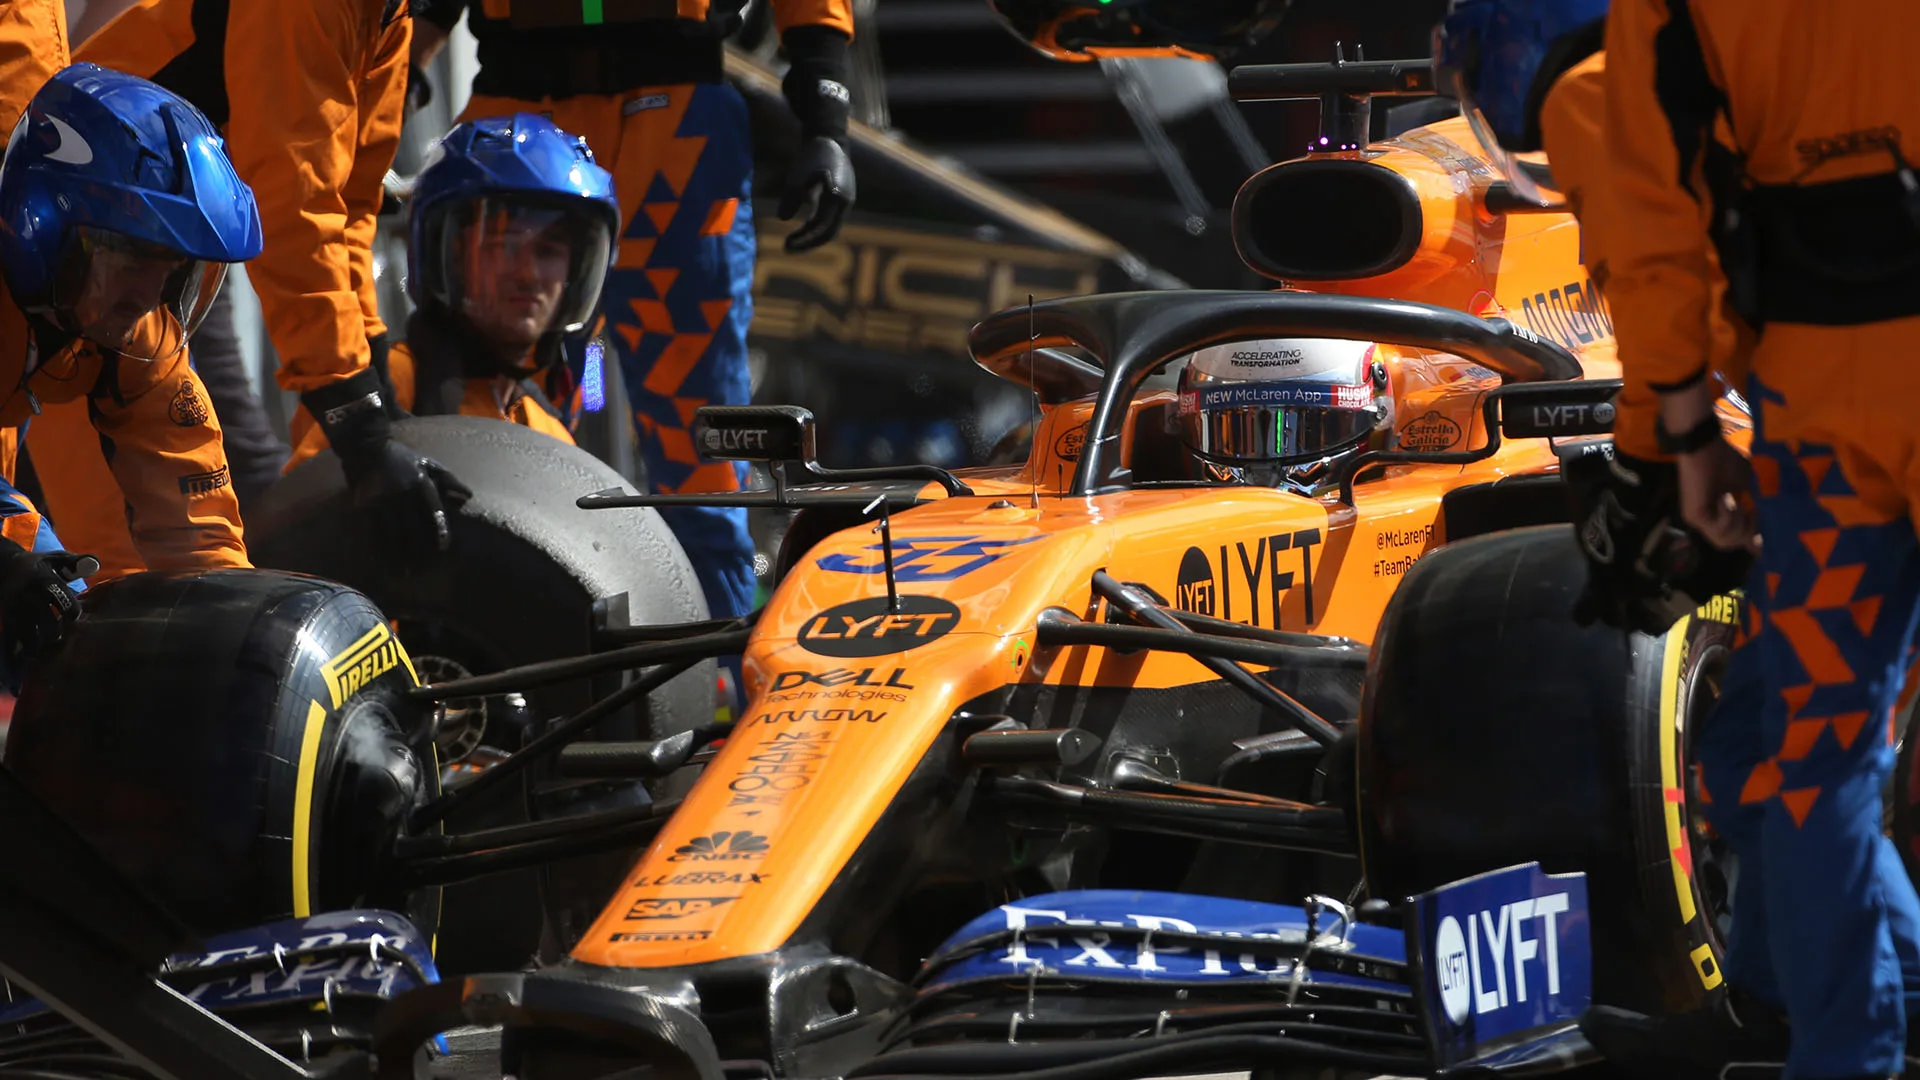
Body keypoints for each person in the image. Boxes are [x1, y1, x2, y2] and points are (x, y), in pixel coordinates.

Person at [1445, 0, 1920, 1075]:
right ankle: (1799, 1010)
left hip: (1826, 408)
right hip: (1812, 402)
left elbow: (1657, 248)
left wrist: (1673, 441)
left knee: (1811, 762)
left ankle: (1838, 1048)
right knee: (1778, 758)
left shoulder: (1634, 38)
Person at [409, 0, 859, 658]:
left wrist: (826, 109)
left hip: (674, 126)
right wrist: (396, 75)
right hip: (520, 124)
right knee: (489, 449)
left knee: (703, 467)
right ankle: (482, 668)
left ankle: (716, 689)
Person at [32, 0, 471, 580]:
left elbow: (349, 208)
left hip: (171, 258)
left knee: (194, 548)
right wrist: (355, 418)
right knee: (127, 564)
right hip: (78, 259)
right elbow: (295, 207)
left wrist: (376, 390)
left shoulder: (390, 18)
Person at [0, 63, 261, 678]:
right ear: (47, 226)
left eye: (170, 268)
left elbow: (202, 532)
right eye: (134, 257)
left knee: (69, 637)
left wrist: (239, 647)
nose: (148, 295)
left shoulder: (136, 330)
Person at [285, 113, 619, 468]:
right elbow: (306, 498)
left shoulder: (550, 433)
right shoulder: (383, 389)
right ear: (447, 255)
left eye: (548, 251)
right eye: (502, 245)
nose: (528, 274)